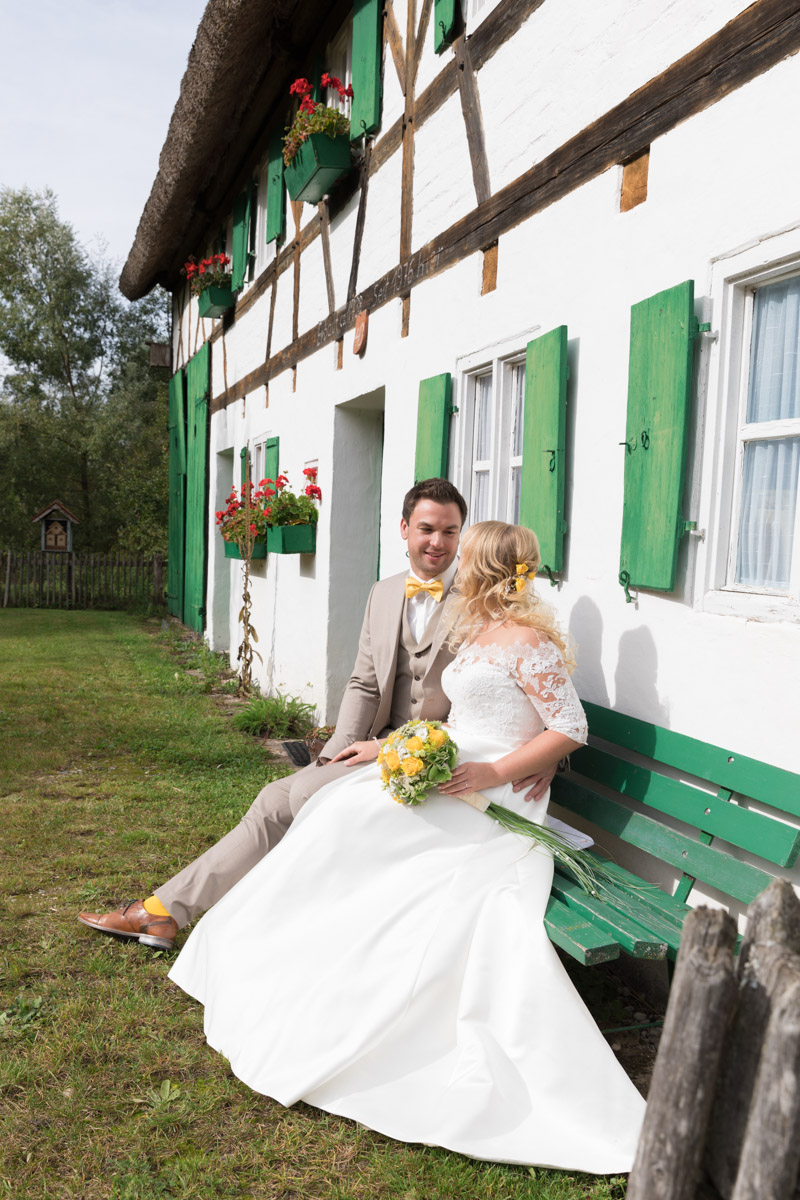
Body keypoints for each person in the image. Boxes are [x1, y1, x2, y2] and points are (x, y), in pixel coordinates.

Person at [167, 521, 646, 1174]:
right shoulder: (477, 634)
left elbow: (570, 726)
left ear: (486, 569)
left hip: (490, 793)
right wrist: (389, 746)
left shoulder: (528, 641)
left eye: (466, 559)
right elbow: (462, 720)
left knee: (351, 822)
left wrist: (494, 773)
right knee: (339, 810)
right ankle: (285, 964)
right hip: (456, 766)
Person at [78, 480, 556, 951]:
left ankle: (264, 927)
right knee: (273, 799)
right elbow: (364, 684)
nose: (438, 542)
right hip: (382, 743)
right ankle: (165, 911)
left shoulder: (483, 597)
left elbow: (528, 692)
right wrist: (329, 756)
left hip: (438, 759)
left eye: (451, 532)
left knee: (303, 797)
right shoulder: (384, 593)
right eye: (427, 528)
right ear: (404, 528)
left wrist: (546, 756)